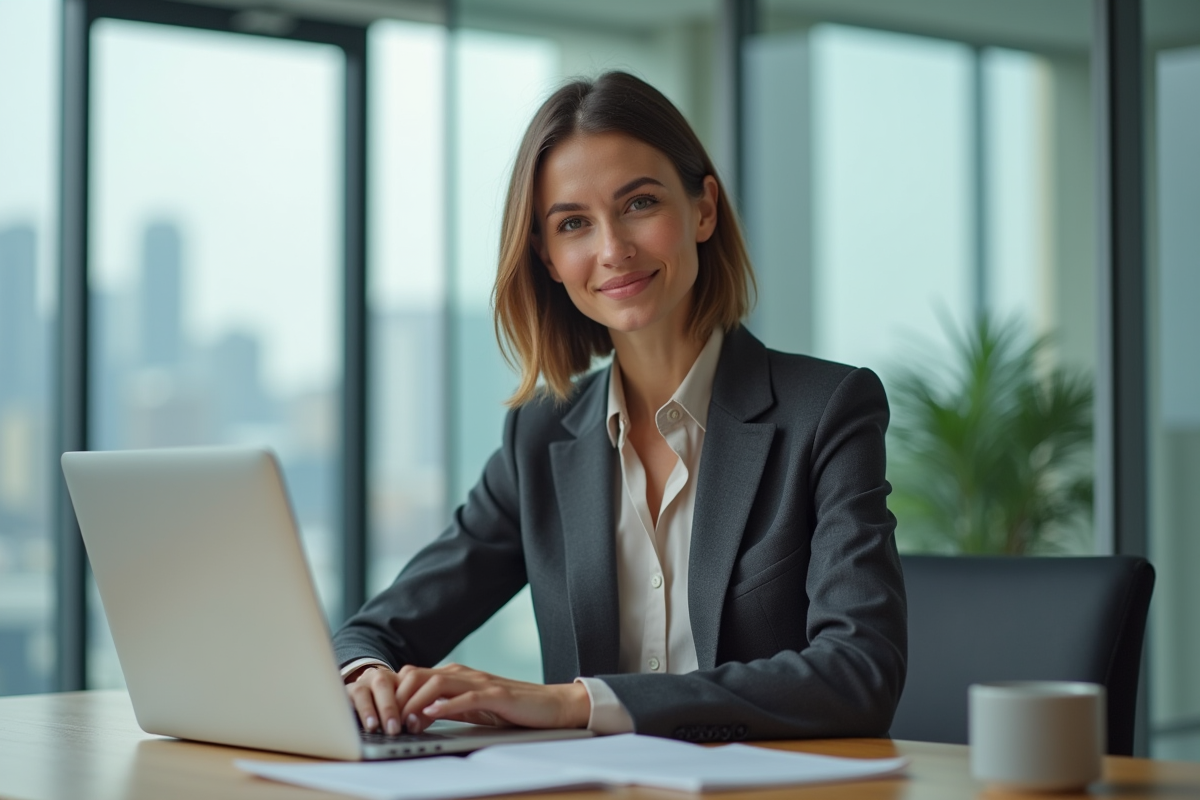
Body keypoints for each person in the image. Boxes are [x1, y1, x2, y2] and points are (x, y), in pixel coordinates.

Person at [334, 71, 906, 742]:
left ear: (703, 210)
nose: (612, 250)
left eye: (639, 203)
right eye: (573, 223)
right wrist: (367, 676)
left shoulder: (826, 412)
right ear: (548, 257)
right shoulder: (539, 437)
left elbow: (859, 673)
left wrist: (576, 703)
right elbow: (376, 631)